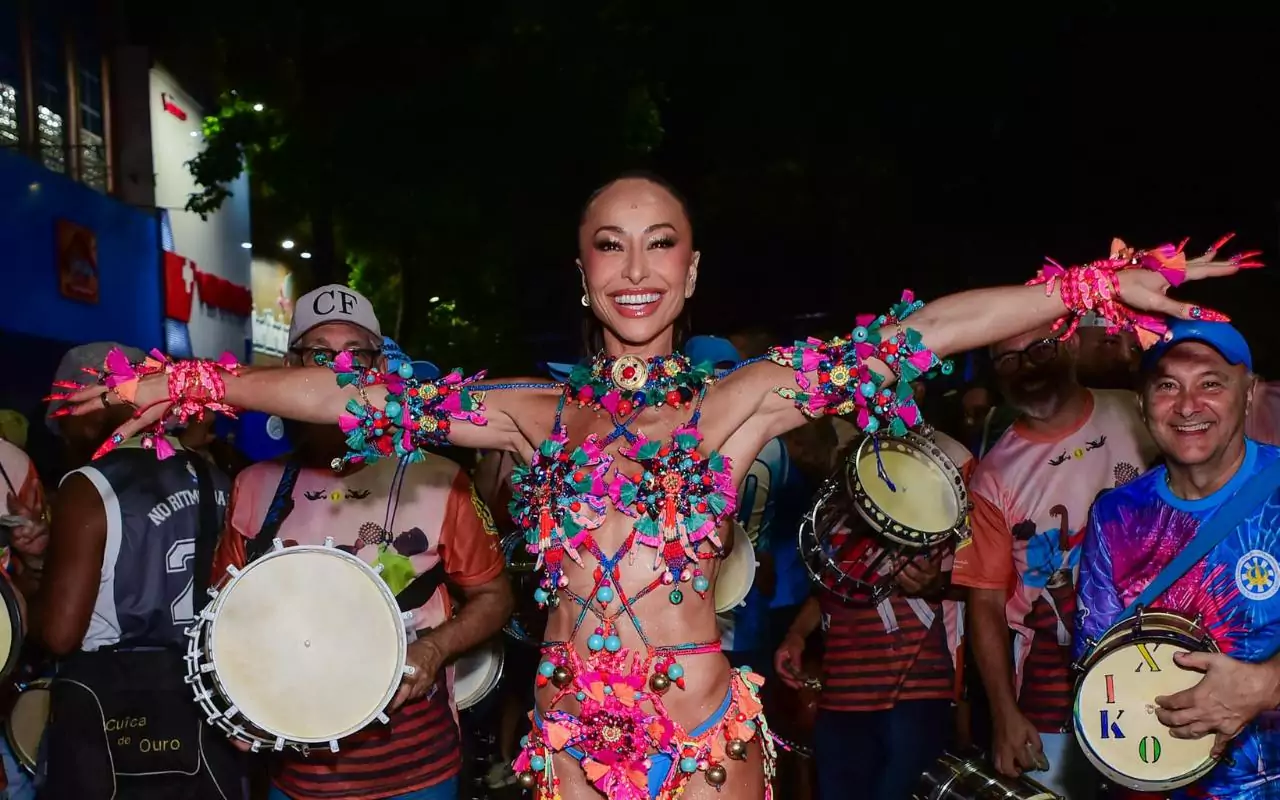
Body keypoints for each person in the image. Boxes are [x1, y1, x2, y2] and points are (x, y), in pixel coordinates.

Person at [59, 173, 1248, 800]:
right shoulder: (532, 412)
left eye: (659, 241)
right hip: (571, 729)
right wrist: (195, 381)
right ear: (582, 271)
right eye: (610, 243)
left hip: (698, 724)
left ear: (690, 269)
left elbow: (927, 329)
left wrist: (1096, 283)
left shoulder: (742, 400)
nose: (635, 266)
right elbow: (353, 400)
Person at [211, 288, 513, 800]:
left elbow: (495, 596)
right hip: (300, 777)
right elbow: (227, 619)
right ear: (291, 368)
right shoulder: (254, 486)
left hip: (417, 770)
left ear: (380, 368)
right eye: (320, 355)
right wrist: (241, 703)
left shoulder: (439, 480)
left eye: (358, 354)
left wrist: (434, 649)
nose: (339, 370)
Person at [952, 323, 1162, 798]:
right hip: (1051, 696)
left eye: (1040, 349)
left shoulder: (1137, 412)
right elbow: (983, 604)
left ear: (1068, 344)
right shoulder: (993, 475)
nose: (1027, 367)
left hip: (1160, 672)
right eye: (1009, 360)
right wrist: (1005, 714)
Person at [1076, 319, 1280, 799]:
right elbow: (1095, 663)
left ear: (1248, 394)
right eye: (1167, 385)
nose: (1188, 406)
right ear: (1143, 402)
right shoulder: (1115, 515)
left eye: (1211, 383)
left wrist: (1268, 685)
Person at [33, 342, 245, 799]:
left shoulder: (90, 487)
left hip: (113, 720)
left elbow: (59, 634)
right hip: (209, 709)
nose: (63, 438)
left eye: (65, 421)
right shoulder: (219, 480)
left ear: (93, 408)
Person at [775, 429, 973, 800]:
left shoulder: (928, 501)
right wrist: (798, 634)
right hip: (842, 696)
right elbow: (830, 591)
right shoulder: (834, 521)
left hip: (911, 695)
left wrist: (934, 585)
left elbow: (977, 586)